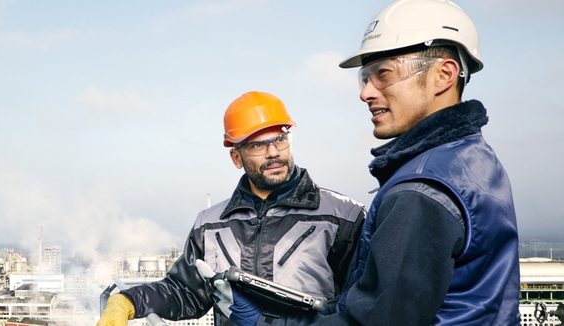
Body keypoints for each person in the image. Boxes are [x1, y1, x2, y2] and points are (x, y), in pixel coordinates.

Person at [213, 1, 520, 325]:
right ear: (237, 155)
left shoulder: (420, 191)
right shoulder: (471, 160)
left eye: (383, 74)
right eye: (365, 77)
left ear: (443, 75)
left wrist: (266, 324)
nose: (366, 93)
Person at [96, 91, 367, 326]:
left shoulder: (343, 217)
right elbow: (187, 291)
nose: (273, 152)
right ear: (236, 157)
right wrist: (130, 300)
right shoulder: (210, 225)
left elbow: (365, 304)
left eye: (280, 139)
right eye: (258, 144)